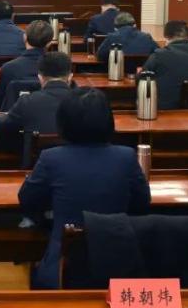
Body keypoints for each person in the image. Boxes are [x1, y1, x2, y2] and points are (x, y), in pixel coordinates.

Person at [18, 88, 150, 289]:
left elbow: (27, 199)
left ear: (63, 123)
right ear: (109, 121)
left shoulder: (51, 158)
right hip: (119, 262)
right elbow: (142, 204)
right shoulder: (126, 157)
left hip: (63, 266)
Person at [0, 51, 73, 140]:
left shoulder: (27, 102)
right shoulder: (82, 101)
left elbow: (0, 126)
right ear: (70, 77)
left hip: (37, 149)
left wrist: (2, 116)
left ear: (40, 78)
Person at [0, 20, 54, 107]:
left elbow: (0, 102)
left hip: (16, 113)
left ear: (24, 37)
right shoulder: (57, 68)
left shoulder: (8, 68)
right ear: (49, 43)